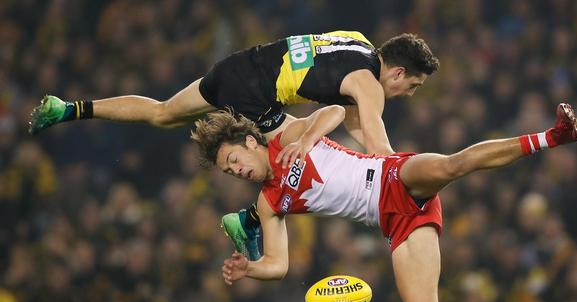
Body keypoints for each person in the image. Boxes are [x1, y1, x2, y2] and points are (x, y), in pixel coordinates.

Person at [191, 102, 577, 302]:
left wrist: (307, 139)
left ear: (247, 142)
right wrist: (250, 268)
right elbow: (278, 265)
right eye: (228, 171)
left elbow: (334, 110)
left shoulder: (286, 138)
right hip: (394, 222)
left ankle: (553, 136)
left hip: (393, 176)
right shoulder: (269, 203)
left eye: (233, 160)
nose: (236, 171)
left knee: (452, 166)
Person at [29, 30, 439, 259]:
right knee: (288, 156)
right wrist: (397, 177)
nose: (410, 93)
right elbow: (376, 137)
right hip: (254, 94)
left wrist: (351, 144)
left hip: (240, 65)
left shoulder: (357, 42)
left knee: (162, 112)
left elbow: (347, 116)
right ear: (398, 71)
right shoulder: (370, 85)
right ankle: (249, 220)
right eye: (413, 85)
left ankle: (69, 109)